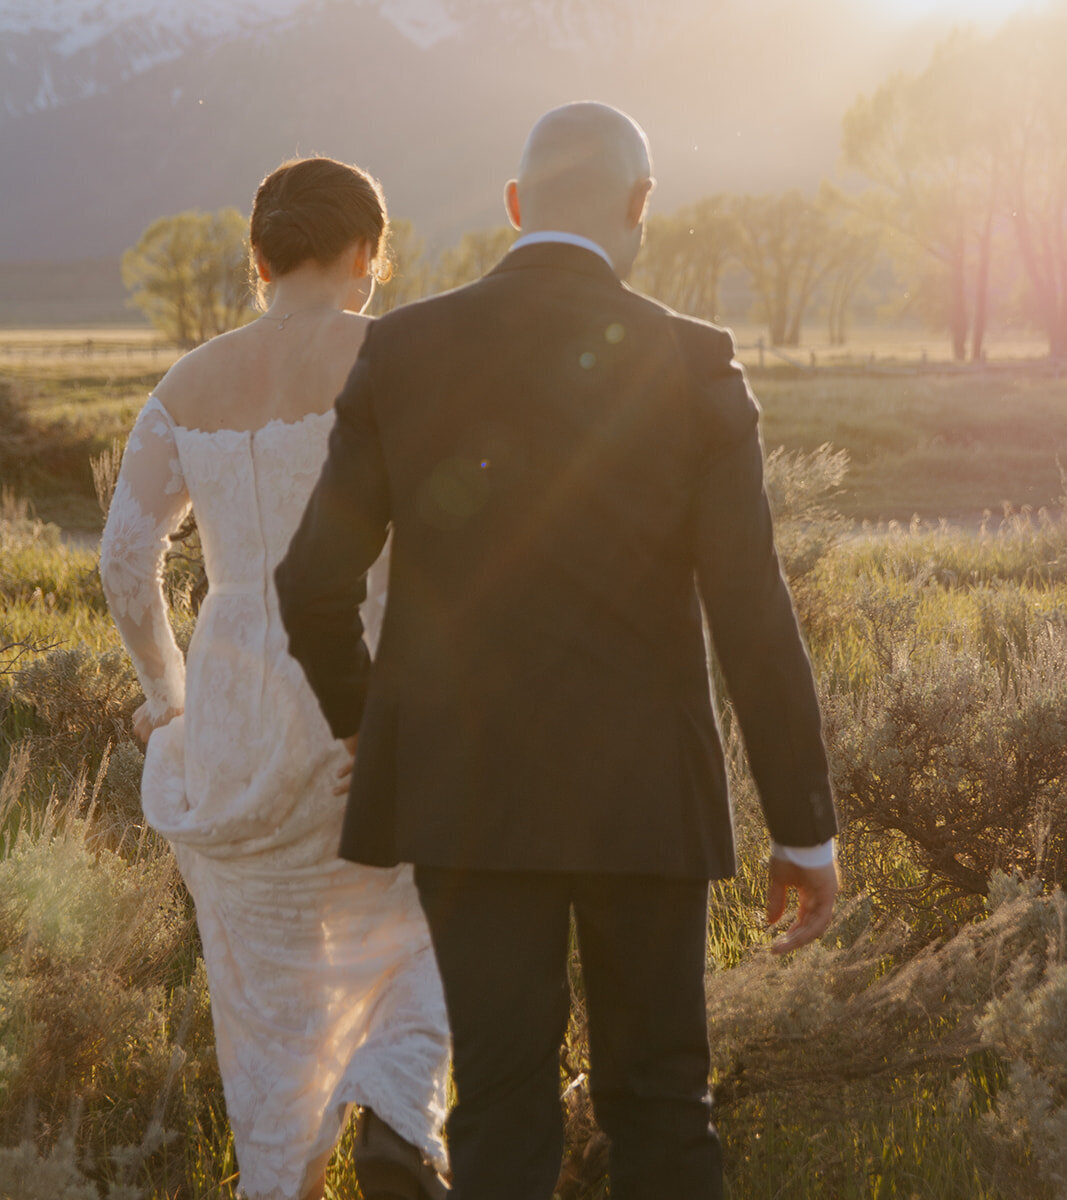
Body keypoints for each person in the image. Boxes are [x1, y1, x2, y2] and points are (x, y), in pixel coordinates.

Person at [276, 104, 839, 1200]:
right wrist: (802, 829)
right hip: (648, 801)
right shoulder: (695, 363)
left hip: (466, 795)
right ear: (639, 211)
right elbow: (750, 610)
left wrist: (370, 723)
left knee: (497, 1101)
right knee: (664, 1102)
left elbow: (310, 583)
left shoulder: (401, 350)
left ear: (515, 207)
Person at [100, 156, 450, 1200]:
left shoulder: (185, 384)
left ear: (257, 259)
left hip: (236, 713)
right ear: (364, 255)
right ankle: (395, 1113)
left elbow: (125, 559)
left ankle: (288, 1175)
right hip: (367, 685)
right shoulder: (396, 358)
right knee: (416, 921)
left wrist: (170, 698)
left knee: (264, 980)